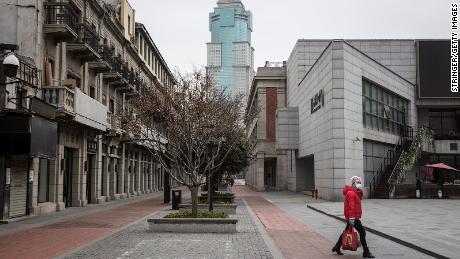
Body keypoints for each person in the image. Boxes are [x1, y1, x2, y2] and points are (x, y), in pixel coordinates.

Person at [332, 176, 375, 258]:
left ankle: (337, 247)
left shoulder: (355, 192)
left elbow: (359, 198)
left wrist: (359, 191)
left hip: (353, 217)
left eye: (360, 183)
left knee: (346, 231)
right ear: (353, 184)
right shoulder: (351, 193)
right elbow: (350, 207)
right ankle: (366, 251)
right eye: (357, 183)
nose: (359, 184)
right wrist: (351, 218)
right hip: (353, 217)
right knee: (362, 232)